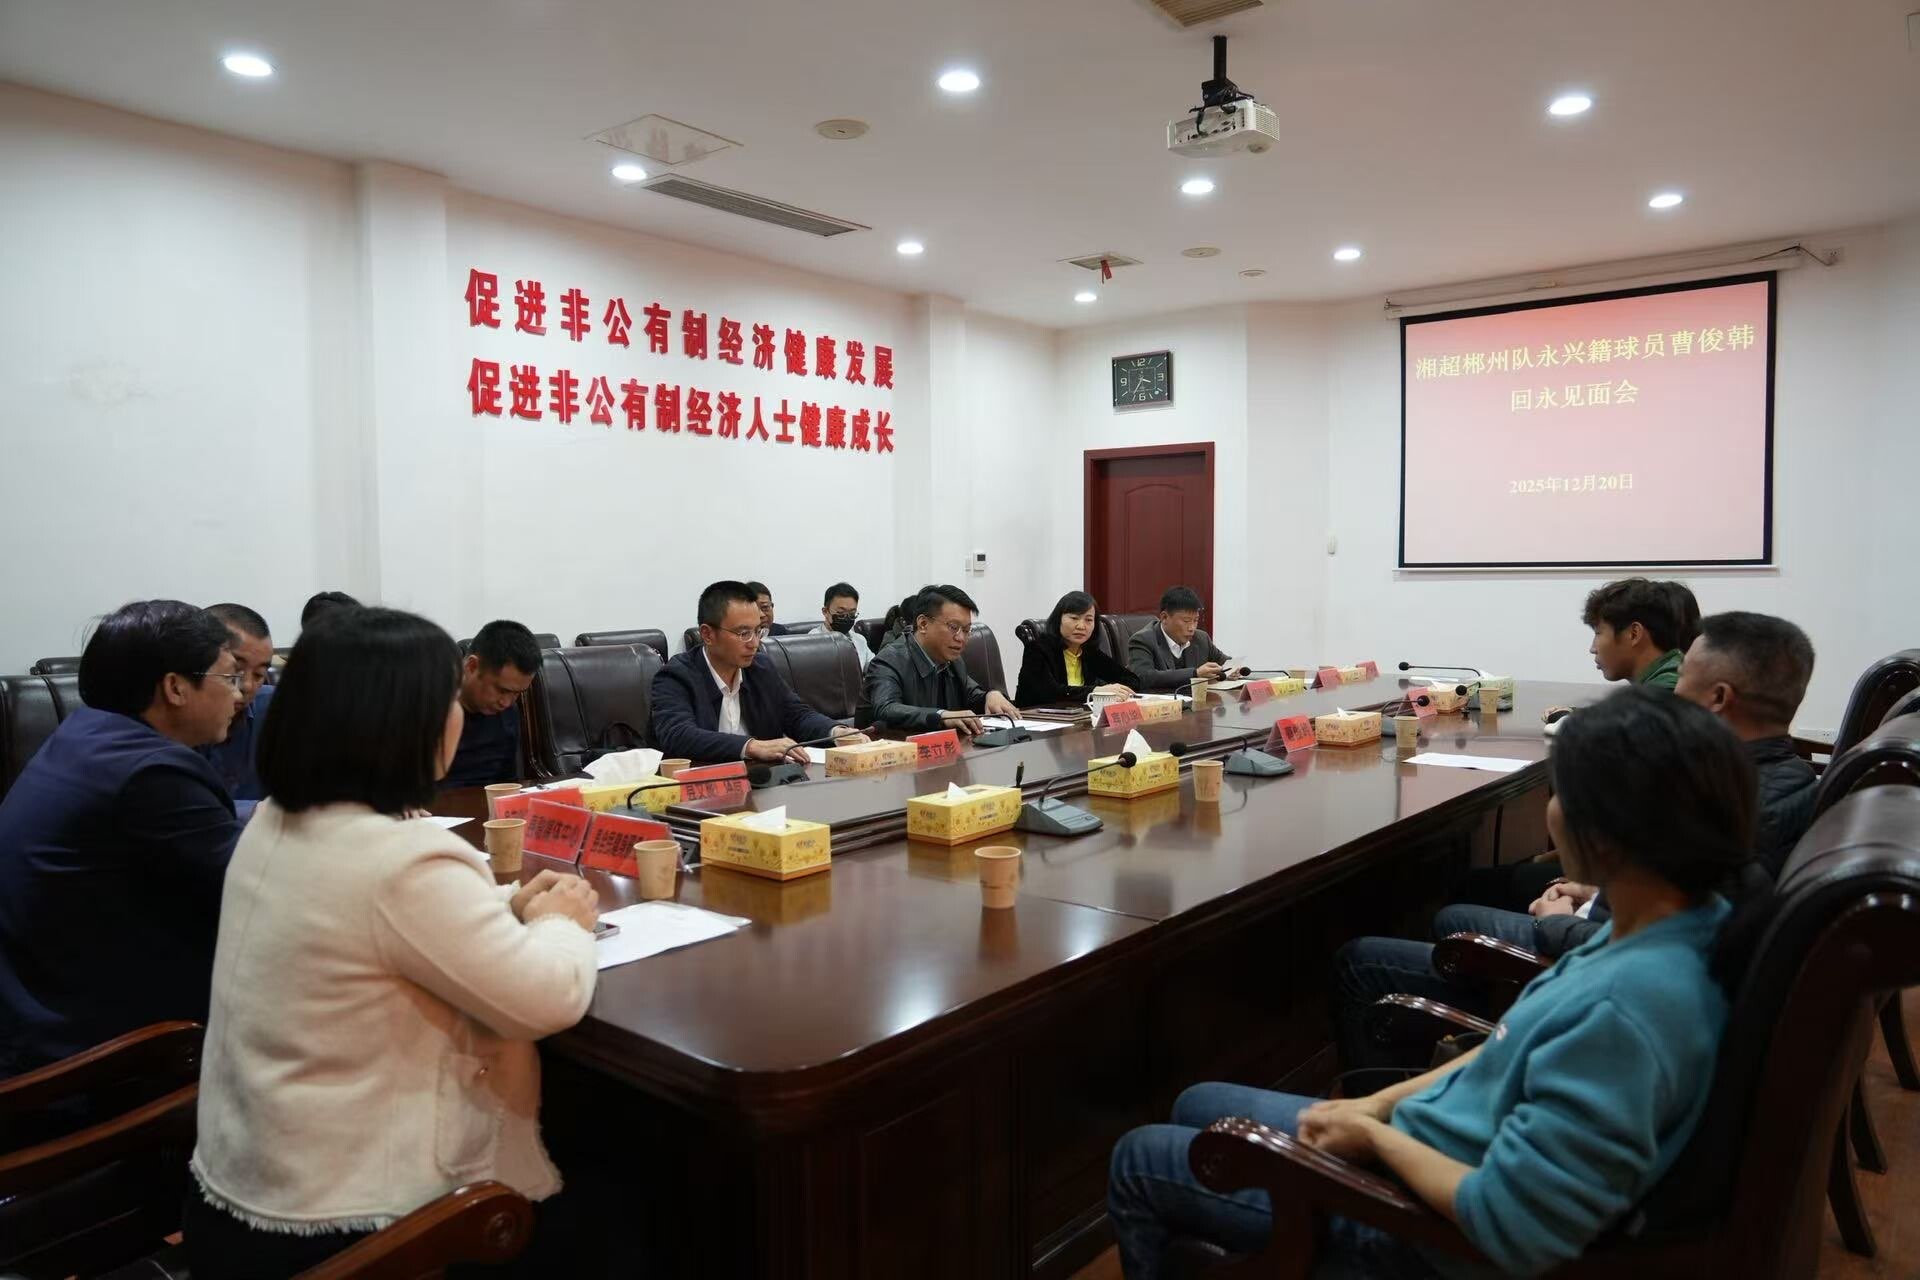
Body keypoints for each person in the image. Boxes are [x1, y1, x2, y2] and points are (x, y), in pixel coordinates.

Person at [1109, 688, 1754, 1279]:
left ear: (1608, 831)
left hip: (1419, 1229)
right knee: (1198, 1102)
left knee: (1140, 1158)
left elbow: (1512, 1226)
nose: (1551, 811)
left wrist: (1376, 1138)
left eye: (1561, 795)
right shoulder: (1672, 926)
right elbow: (1506, 1046)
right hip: (1444, 1138)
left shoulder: (1627, 1008)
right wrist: (1375, 1106)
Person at [186, 606, 601, 1278]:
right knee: (626, 1205)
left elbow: (373, 924)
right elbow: (547, 999)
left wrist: (507, 903)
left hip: (244, 1196)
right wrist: (563, 921)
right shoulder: (400, 859)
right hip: (350, 1231)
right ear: (407, 722)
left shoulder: (276, 818)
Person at [1328, 610, 1816, 1072]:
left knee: (1373, 954)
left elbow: (1646, 945)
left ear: (1719, 697)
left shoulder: (1733, 804)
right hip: (1609, 952)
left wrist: (1556, 924)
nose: (1676, 685)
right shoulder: (1772, 780)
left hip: (1588, 966)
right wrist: (1598, 891)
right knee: (1454, 914)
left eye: (1685, 672)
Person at [0, 600, 244, 1077]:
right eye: (230, 677)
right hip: (89, 1055)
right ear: (175, 687)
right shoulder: (153, 771)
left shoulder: (86, 733)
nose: (239, 696)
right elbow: (259, 889)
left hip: (33, 1012)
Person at [652, 581, 868, 765]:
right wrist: (751, 746)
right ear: (708, 635)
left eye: (758, 631)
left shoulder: (760, 667)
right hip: (702, 788)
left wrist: (836, 732)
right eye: (743, 633)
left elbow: (796, 714)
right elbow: (678, 735)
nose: (754, 643)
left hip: (762, 781)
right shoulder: (675, 675)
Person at [863, 584, 1019, 734]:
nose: (961, 638)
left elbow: (972, 695)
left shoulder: (953, 660)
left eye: (966, 630)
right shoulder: (889, 660)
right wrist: (941, 716)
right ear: (923, 624)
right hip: (891, 748)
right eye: (953, 627)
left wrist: (990, 696)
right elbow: (886, 708)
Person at [439, 620, 539, 788]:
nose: (506, 702)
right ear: (472, 666)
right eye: (501, 690)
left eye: (517, 693)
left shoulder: (509, 712)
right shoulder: (430, 707)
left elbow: (508, 783)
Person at [200, 602, 275, 807]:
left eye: (259, 674)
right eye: (235, 669)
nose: (247, 685)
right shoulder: (167, 720)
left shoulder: (278, 709)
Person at [1015, 590, 1139, 706]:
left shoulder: (1089, 652)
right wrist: (1096, 691)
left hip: (1080, 717)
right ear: (1058, 619)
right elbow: (1049, 693)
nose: (1081, 626)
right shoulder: (1038, 649)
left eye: (1088, 620)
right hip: (1038, 717)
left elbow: (1131, 680)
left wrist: (1113, 690)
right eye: (1074, 618)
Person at [1127, 586, 1235, 691]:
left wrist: (1234, 670)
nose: (1192, 628)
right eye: (1186, 621)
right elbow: (1143, 677)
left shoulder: (1201, 638)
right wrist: (1195, 673)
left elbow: (1224, 662)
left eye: (1196, 620)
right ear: (1164, 617)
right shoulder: (1143, 640)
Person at [813, 581, 873, 669]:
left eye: (852, 614)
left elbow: (875, 667)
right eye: (841, 613)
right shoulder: (811, 642)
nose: (847, 617)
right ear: (825, 611)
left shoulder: (859, 640)